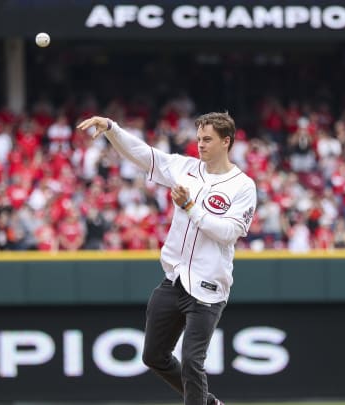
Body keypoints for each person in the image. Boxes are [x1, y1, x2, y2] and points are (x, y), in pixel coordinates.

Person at [77, 112, 256, 405]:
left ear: (227, 142)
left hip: (208, 287)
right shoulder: (185, 168)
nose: (200, 145)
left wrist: (190, 206)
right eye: (198, 138)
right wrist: (111, 128)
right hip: (174, 280)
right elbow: (144, 155)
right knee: (153, 356)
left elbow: (228, 233)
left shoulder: (243, 185)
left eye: (207, 139)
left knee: (191, 362)